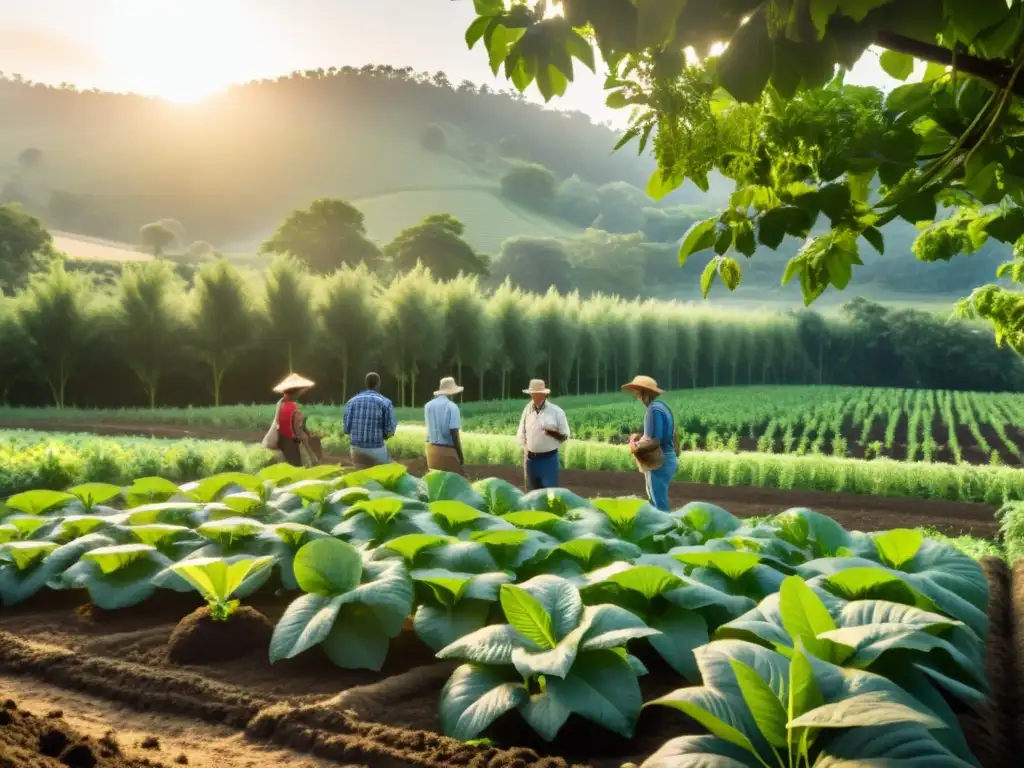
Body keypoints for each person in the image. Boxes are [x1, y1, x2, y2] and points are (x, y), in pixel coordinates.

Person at [623, 375, 679, 512]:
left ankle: (666, 531)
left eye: (637, 393)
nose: (637, 397)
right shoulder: (663, 407)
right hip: (669, 458)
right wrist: (641, 438)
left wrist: (634, 445)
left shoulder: (653, 410)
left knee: (659, 506)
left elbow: (655, 442)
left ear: (645, 393)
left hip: (660, 462)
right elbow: (662, 435)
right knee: (656, 502)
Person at [516, 379, 570, 490]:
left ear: (543, 395)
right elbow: (521, 432)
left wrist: (553, 433)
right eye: (532, 394)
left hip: (549, 460)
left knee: (549, 494)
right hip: (530, 461)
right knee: (531, 494)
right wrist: (524, 448)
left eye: (536, 394)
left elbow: (565, 435)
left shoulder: (556, 412)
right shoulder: (527, 410)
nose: (533, 397)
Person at [343, 371, 397, 467]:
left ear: (366, 383)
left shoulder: (351, 402)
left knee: (361, 475)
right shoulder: (385, 402)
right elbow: (390, 431)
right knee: (383, 471)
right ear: (378, 383)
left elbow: (346, 430)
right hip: (376, 449)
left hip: (356, 450)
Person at [266, 373, 319, 467]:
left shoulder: (280, 403)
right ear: (296, 392)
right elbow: (297, 431)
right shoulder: (293, 407)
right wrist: (310, 450)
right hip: (290, 442)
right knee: (297, 468)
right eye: (300, 391)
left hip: (281, 439)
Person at [424, 376, 466, 475]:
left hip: (431, 450)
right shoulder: (452, 407)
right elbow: (454, 433)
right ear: (452, 392)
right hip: (447, 451)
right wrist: (460, 456)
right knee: (458, 483)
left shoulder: (428, 406)